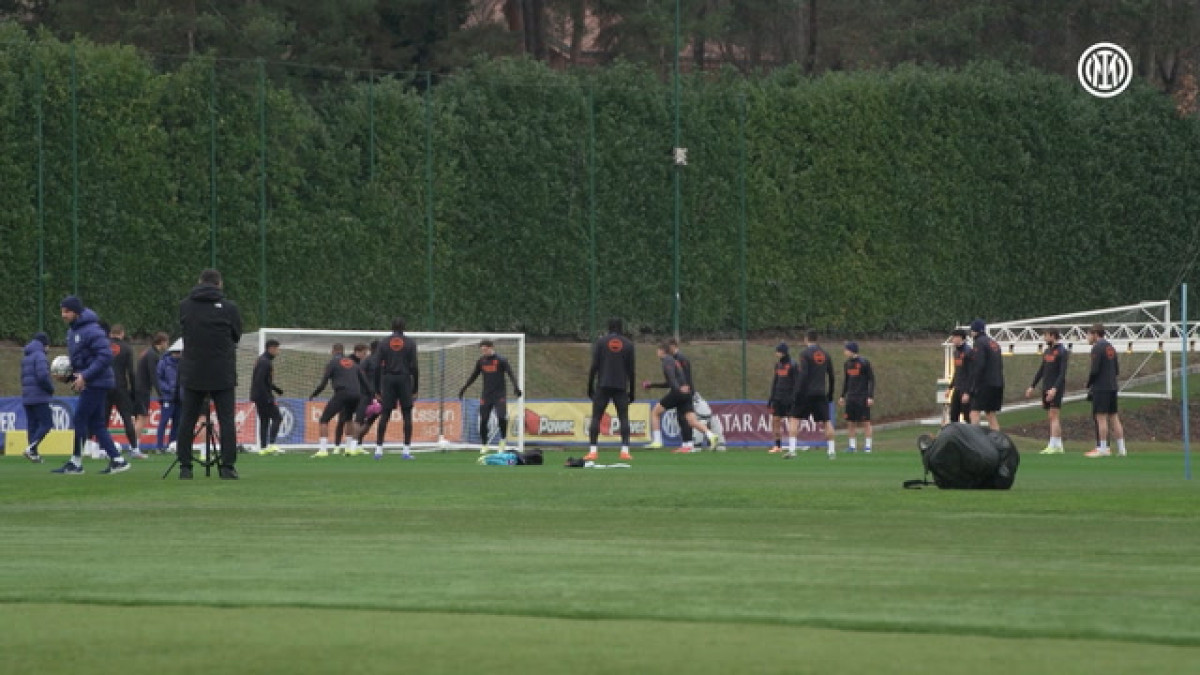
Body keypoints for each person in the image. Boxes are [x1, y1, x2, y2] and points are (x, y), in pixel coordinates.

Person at [50, 296, 131, 475]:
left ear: (76, 312)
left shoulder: (92, 330)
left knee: (79, 419)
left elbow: (105, 356)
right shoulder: (73, 332)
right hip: (92, 381)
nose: (63, 315)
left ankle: (76, 462)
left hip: (97, 382)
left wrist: (85, 376)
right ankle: (118, 460)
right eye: (62, 311)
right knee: (97, 424)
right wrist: (70, 377)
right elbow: (82, 361)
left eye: (67, 311)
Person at [176, 269, 243, 480]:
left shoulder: (185, 305)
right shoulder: (230, 308)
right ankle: (227, 467)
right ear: (219, 284)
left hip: (193, 370)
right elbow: (236, 335)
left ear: (199, 282)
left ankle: (185, 467)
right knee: (226, 421)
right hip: (221, 372)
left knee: (187, 420)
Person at [644, 342, 718, 453]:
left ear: (662, 351)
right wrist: (652, 385)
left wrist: (677, 390)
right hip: (687, 393)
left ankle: (657, 441)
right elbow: (670, 381)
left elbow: (671, 378)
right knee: (692, 421)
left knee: (655, 412)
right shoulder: (674, 361)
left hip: (678, 393)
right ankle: (711, 435)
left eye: (658, 350)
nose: (657, 352)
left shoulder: (667, 361)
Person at [584, 318, 635, 462]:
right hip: (620, 386)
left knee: (596, 417)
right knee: (623, 417)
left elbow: (594, 366)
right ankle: (625, 451)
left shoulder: (600, 343)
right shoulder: (628, 344)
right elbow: (631, 370)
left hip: (603, 384)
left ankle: (593, 451)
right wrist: (632, 391)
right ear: (621, 328)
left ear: (608, 328)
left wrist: (589, 386)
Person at [458, 339, 522, 454]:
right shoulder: (481, 361)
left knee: (502, 417)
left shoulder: (501, 360)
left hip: (499, 395)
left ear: (491, 347)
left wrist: (516, 387)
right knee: (484, 420)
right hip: (486, 396)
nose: (484, 352)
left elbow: (510, 373)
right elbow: (473, 376)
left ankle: (502, 441)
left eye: (486, 349)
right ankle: (484, 444)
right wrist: (464, 388)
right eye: (482, 350)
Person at [310, 343, 372, 458]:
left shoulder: (332, 363)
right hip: (356, 394)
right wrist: (371, 397)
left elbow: (324, 382)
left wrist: (314, 394)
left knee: (324, 420)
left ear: (333, 351)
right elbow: (365, 382)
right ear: (342, 351)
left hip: (342, 393)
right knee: (348, 420)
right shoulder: (353, 363)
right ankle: (348, 449)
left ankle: (323, 450)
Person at [371, 317, 419, 460]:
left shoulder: (384, 343)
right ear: (404, 327)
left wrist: (377, 389)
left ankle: (378, 451)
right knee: (407, 414)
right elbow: (414, 366)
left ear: (391, 327)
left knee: (385, 414)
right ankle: (405, 451)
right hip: (404, 378)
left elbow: (376, 366)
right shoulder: (410, 343)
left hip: (388, 379)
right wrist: (415, 387)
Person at [665, 338, 721, 450]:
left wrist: (685, 388)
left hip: (685, 392)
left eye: (668, 347)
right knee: (684, 418)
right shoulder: (675, 359)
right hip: (682, 391)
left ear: (673, 346)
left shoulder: (681, 358)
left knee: (686, 418)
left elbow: (685, 376)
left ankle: (689, 444)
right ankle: (689, 443)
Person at [790, 330, 836, 460]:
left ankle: (792, 450)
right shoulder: (826, 354)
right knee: (827, 421)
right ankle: (831, 451)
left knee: (794, 419)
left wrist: (797, 392)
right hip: (820, 393)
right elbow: (832, 375)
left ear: (806, 339)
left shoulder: (805, 354)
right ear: (817, 339)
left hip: (805, 393)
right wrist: (830, 393)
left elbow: (803, 374)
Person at [1085, 324, 1126, 458]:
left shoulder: (1097, 347)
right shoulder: (1111, 347)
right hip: (1112, 386)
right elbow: (1117, 369)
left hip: (1101, 387)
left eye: (1089, 334)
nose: (1088, 337)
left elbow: (1095, 369)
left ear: (1095, 334)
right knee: (1114, 417)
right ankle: (1122, 449)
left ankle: (1102, 448)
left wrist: (1089, 383)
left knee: (1101, 417)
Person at [106, 324, 146, 460]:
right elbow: (131, 372)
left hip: (104, 385)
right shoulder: (127, 348)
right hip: (120, 387)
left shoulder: (103, 346)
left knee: (103, 419)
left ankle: (99, 448)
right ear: (122, 333)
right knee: (127, 418)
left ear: (111, 334)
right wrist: (135, 391)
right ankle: (134, 448)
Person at [1026, 329, 1069, 455]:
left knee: (1053, 415)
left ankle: (1052, 445)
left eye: (1046, 336)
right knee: (1051, 416)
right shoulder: (1047, 351)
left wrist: (1054, 389)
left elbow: (1062, 373)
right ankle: (1059, 445)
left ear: (1053, 336)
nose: (1044, 338)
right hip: (1046, 386)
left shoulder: (1062, 352)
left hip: (1055, 388)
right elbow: (1041, 370)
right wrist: (1032, 386)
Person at [20, 331, 54, 463]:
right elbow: (43, 376)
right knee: (47, 423)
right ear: (45, 344)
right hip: (40, 396)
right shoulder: (40, 356)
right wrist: (50, 389)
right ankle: (31, 448)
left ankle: (33, 453)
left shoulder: (26, 357)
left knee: (32, 425)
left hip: (27, 396)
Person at [965, 318, 1004, 431]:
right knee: (991, 414)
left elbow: (979, 365)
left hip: (985, 384)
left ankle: (975, 442)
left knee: (974, 412)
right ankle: (998, 442)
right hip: (998, 383)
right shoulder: (994, 343)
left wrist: (973, 387)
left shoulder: (979, 343)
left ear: (975, 331)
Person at [838, 341, 875, 454]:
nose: (844, 352)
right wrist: (842, 396)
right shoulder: (847, 364)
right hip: (851, 397)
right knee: (850, 422)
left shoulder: (864, 363)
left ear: (851, 350)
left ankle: (868, 446)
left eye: (846, 349)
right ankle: (852, 446)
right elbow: (847, 381)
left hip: (862, 397)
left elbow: (872, 380)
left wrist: (870, 396)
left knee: (866, 422)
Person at [135, 331, 168, 452]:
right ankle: (134, 447)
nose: (167, 346)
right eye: (166, 343)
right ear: (162, 342)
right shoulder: (152, 355)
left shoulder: (148, 352)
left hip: (140, 388)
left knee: (141, 417)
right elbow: (154, 375)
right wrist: (161, 394)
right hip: (142, 389)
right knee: (142, 418)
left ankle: (134, 446)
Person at [250, 339, 284, 455]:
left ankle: (263, 447)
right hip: (263, 396)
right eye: (277, 349)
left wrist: (276, 389)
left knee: (264, 420)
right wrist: (267, 396)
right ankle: (272, 444)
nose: (278, 352)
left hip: (258, 395)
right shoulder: (265, 362)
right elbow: (259, 381)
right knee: (277, 417)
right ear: (271, 348)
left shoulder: (262, 360)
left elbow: (264, 380)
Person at [767, 343, 800, 455]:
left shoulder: (793, 364)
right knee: (775, 420)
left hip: (789, 398)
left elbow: (797, 382)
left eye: (778, 351)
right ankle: (777, 445)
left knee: (791, 421)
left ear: (783, 352)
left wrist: (795, 397)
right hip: (778, 397)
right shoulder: (778, 365)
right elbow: (775, 381)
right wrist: (771, 398)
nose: (776, 353)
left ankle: (792, 446)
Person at [156, 339, 182, 454]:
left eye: (179, 352)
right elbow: (159, 379)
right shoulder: (163, 363)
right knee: (164, 421)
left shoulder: (183, 363)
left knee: (177, 423)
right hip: (167, 397)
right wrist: (168, 389)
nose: (177, 355)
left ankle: (172, 444)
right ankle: (159, 446)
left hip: (180, 397)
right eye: (175, 352)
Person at [354, 340, 382, 445]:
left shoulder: (366, 360)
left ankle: (355, 444)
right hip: (380, 395)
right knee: (369, 421)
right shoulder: (384, 361)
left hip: (365, 394)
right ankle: (359, 443)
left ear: (370, 349)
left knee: (359, 420)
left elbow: (359, 376)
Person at [946, 329, 972, 423]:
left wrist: (967, 392)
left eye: (954, 337)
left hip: (965, 389)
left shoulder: (968, 352)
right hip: (957, 388)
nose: (952, 339)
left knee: (967, 416)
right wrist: (950, 388)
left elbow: (971, 373)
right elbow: (957, 371)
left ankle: (970, 436)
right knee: (953, 414)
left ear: (960, 338)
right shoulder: (956, 352)